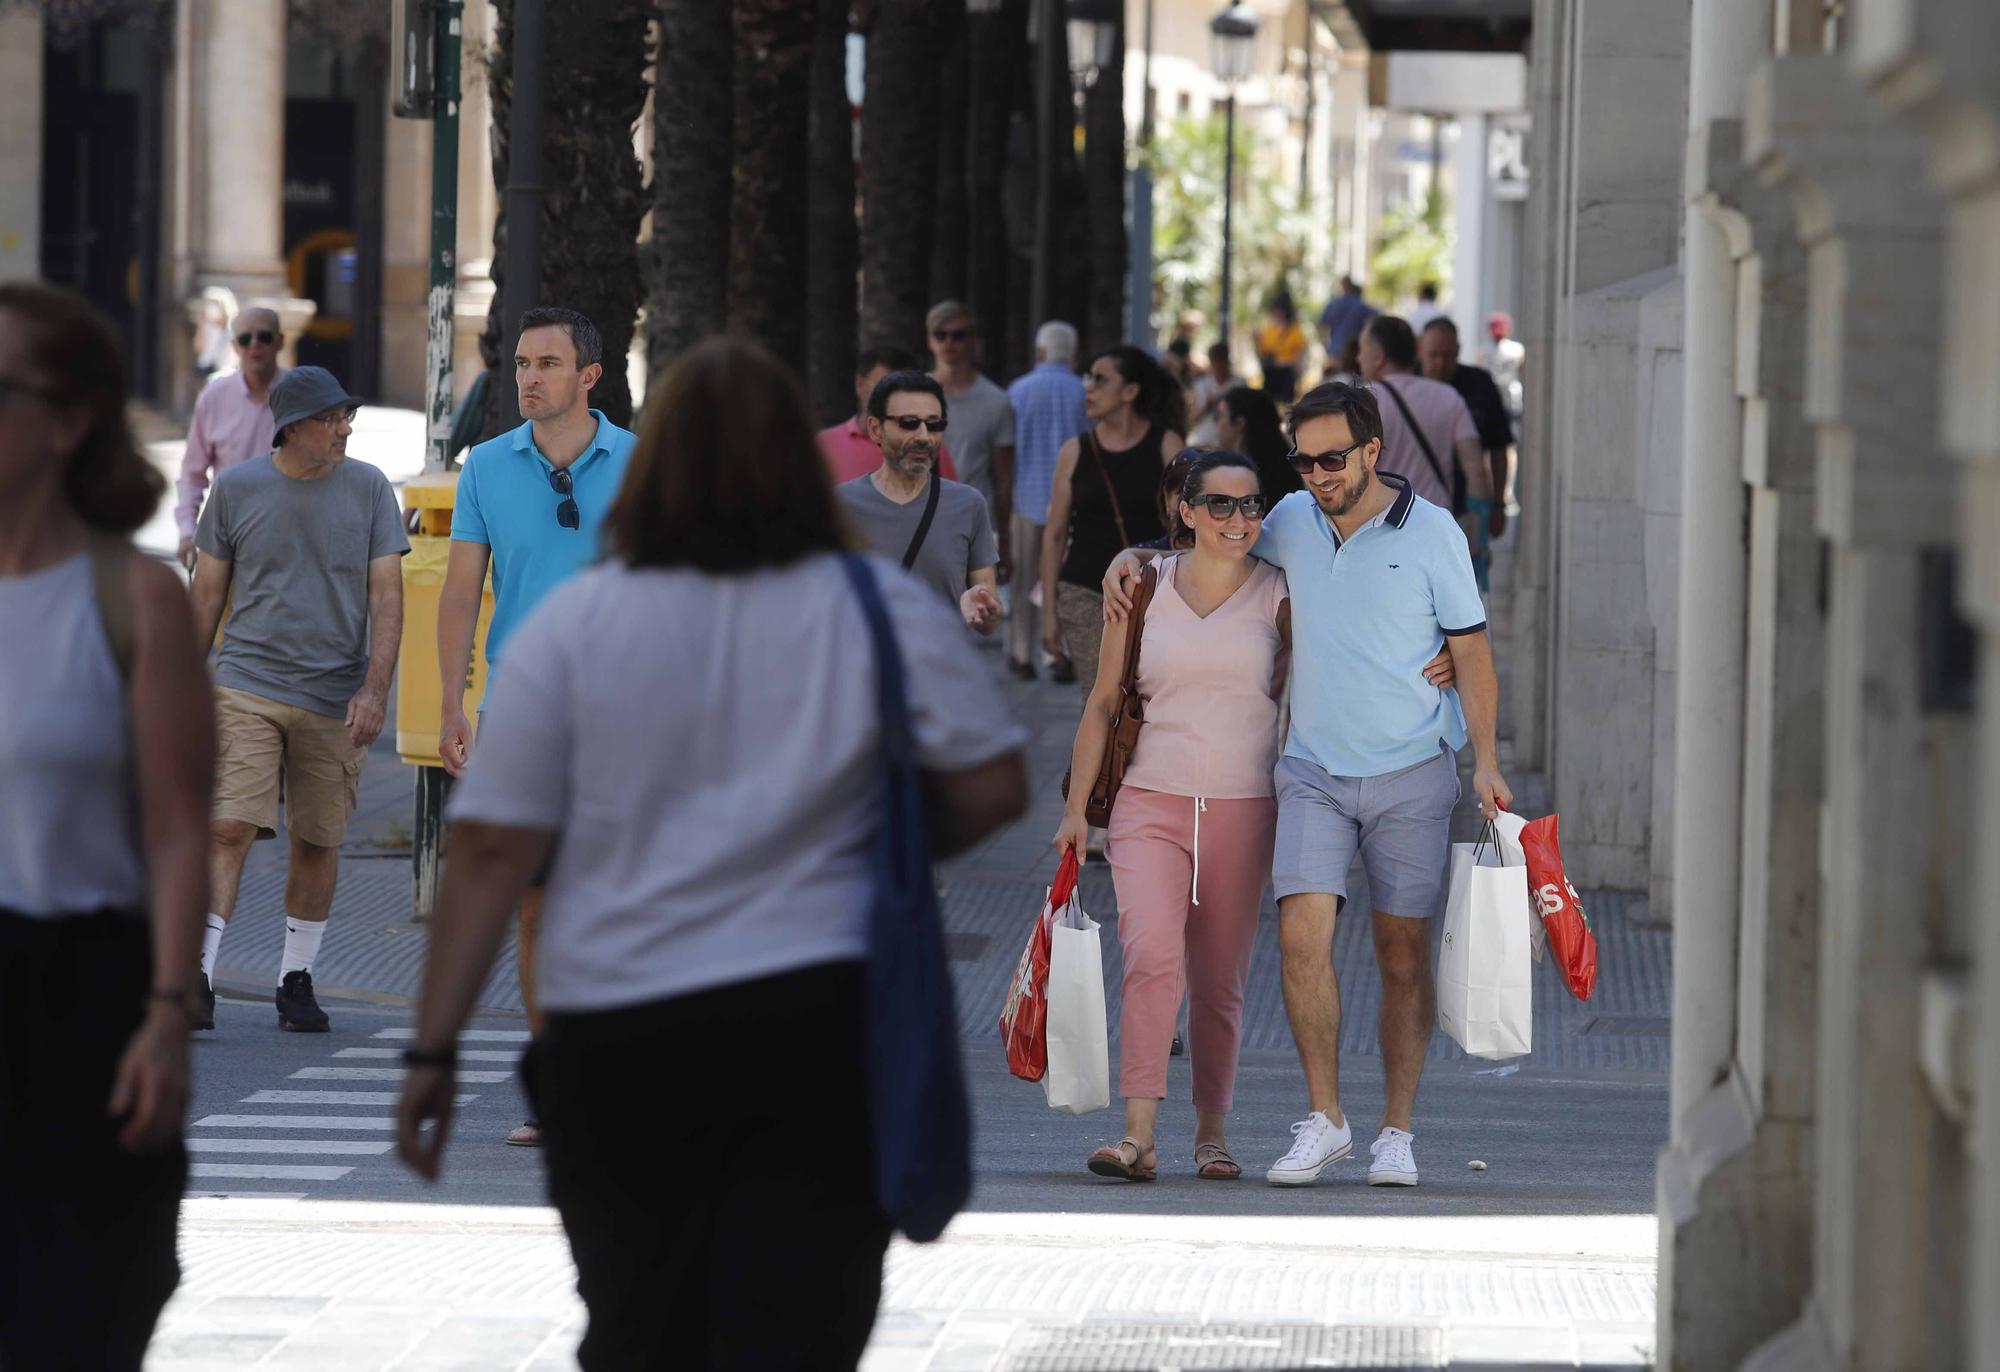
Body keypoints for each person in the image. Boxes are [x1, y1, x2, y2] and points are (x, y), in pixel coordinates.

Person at [394, 336, 1028, 1369]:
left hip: (620, 1029)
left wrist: (432, 1050)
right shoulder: (872, 610)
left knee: (640, 1321)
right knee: (798, 1330)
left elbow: (489, 849)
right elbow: (994, 782)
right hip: (819, 1027)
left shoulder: (582, 622)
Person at [1104, 382, 1509, 1192]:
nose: (1318, 475)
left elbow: (1471, 652)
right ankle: (1325, 1120)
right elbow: (1211, 537)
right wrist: (1132, 556)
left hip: (1413, 770)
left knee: (1400, 954)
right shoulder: (1288, 520)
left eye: (1332, 459)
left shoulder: (1433, 534)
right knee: (1300, 940)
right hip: (1313, 771)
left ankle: (1397, 1131)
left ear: (1371, 451)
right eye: (1304, 460)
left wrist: (1489, 763)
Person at [0, 282, 211, 1368]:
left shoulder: (133, 599)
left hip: (84, 997)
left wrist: (168, 1013)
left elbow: (180, 826)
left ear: (71, 417)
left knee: (76, 1318)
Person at [1055, 452, 1285, 1183]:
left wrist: (1441, 659)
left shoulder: (1282, 594)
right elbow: (1101, 703)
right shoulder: (1143, 585)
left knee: (1220, 979)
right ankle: (1138, 1135)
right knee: (1152, 958)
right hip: (1146, 803)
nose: (1237, 520)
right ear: (1185, 511)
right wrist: (1072, 815)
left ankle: (1211, 1134)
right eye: (1219, 505)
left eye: (1251, 507)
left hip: (1244, 808)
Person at [438, 307, 636, 1149]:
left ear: (589, 377)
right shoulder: (485, 465)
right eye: (521, 362)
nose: (528, 378)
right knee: (537, 908)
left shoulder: (643, 463)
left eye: (547, 363)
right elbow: (459, 592)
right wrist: (452, 701)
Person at [188, 366, 409, 1034]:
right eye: (332, 418)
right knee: (227, 826)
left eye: (348, 417)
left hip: (333, 696)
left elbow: (388, 598)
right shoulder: (235, 489)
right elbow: (205, 599)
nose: (345, 429)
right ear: (292, 427)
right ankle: (196, 976)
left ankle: (295, 978)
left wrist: (375, 692)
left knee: (318, 838)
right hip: (246, 684)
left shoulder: (370, 488)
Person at [1040, 345, 1184, 699]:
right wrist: (1048, 613)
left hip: (1149, 592)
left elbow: (1184, 525)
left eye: (1100, 380)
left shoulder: (1166, 445)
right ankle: (1091, 757)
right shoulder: (1075, 451)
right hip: (1084, 592)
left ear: (1130, 391)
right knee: (1101, 700)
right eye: (1088, 378)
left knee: (1147, 700)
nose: (1088, 387)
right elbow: (1054, 534)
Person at [836, 370, 1003, 635]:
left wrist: (981, 608)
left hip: (943, 668)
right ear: (875, 429)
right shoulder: (840, 505)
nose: (924, 436)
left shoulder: (969, 504)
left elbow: (991, 621)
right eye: (909, 422)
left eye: (935, 424)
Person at [1005, 321, 1089, 682]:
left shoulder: (1018, 391)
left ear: (1040, 351)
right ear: (1073, 353)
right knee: (1064, 579)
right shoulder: (1084, 392)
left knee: (1025, 578)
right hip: (1070, 503)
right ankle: (1060, 654)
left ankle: (1022, 652)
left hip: (1026, 497)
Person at [175, 306, 285, 571]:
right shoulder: (214, 397)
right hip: (229, 540)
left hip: (289, 539)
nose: (255, 346)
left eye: (264, 337)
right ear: (235, 345)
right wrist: (187, 532)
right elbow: (193, 474)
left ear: (280, 341)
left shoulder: (302, 393)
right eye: (246, 339)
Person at [1357, 315, 1493, 519]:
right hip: (1435, 523)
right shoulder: (1448, 397)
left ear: (1379, 355)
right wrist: (1479, 528)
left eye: (1362, 349)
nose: (1358, 358)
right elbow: (1475, 467)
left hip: (1379, 524)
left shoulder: (1361, 402)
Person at [1419, 317, 1512, 584]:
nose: (1440, 363)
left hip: (1468, 510)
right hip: (1415, 509)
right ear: (1420, 352)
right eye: (1433, 355)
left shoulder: (1479, 384)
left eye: (1447, 355)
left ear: (1459, 351)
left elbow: (1498, 448)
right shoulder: (1404, 385)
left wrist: (1498, 504)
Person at [927, 301, 1016, 580]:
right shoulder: (914, 395)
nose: (949, 342)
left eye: (958, 334)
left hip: (975, 524)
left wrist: (1004, 540)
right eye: (940, 335)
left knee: (975, 617)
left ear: (972, 340)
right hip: (921, 518)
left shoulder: (996, 402)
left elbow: (1003, 477)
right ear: (929, 340)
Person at [820, 342, 959, 485]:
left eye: (904, 389)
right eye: (883, 387)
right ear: (860, 385)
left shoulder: (928, 448)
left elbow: (952, 503)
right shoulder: (824, 445)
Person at [1214, 386, 1304, 505]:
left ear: (1240, 423)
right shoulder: (1285, 467)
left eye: (1219, 416)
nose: (1216, 423)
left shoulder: (1248, 479)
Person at [1255, 293, 1309, 403]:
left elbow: (1300, 353)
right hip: (1271, 373)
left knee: (1286, 403)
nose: (1277, 313)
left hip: (1287, 374)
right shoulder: (1267, 331)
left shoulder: (1295, 331)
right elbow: (1262, 353)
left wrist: (1294, 368)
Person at [1317, 275, 1377, 363]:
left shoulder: (1333, 304)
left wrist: (1326, 346)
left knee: (1337, 376)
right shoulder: (1362, 306)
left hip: (1335, 352)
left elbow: (1320, 327)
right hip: (1355, 354)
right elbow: (1377, 322)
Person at [1187, 343, 1238, 446]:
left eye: (1221, 361)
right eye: (1216, 362)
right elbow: (1192, 418)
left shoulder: (1239, 384)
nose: (1219, 367)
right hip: (1204, 439)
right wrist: (1207, 406)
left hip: (1231, 441)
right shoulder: (1200, 385)